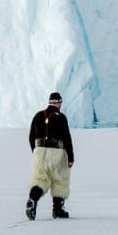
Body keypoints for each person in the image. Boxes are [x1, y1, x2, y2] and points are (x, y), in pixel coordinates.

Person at [26, 91, 73, 220]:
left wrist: (36, 152)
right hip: (57, 152)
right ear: (58, 103)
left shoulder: (38, 116)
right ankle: (58, 210)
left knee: (40, 179)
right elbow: (67, 138)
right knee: (60, 180)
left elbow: (31, 137)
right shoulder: (61, 117)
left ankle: (33, 199)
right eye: (60, 102)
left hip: (39, 152)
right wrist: (71, 157)